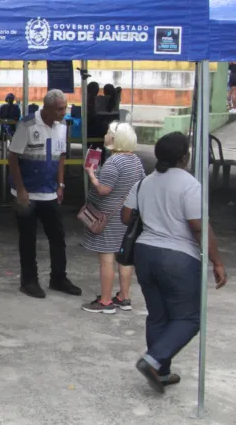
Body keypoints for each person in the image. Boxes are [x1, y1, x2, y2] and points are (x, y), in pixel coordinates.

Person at [125, 132, 227, 392]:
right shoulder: (189, 183)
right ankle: (153, 360)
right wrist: (216, 262)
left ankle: (161, 371)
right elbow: (198, 227)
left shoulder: (145, 182)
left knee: (158, 316)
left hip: (145, 253)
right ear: (184, 156)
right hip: (177, 258)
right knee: (189, 318)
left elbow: (126, 217)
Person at [8, 89, 81, 299]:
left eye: (64, 108)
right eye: (59, 109)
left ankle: (58, 278)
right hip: (27, 194)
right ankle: (29, 281)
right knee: (28, 239)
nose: (63, 113)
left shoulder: (62, 126)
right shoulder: (27, 125)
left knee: (57, 237)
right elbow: (13, 158)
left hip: (49, 193)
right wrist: (21, 189)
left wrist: (61, 184)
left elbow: (60, 157)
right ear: (46, 108)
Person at [81, 122, 146, 314]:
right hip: (127, 216)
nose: (106, 135)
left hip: (108, 218)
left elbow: (103, 190)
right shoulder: (135, 160)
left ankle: (106, 301)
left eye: (109, 133)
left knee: (106, 260)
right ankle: (124, 297)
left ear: (115, 139)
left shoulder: (114, 162)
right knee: (124, 259)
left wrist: (91, 174)